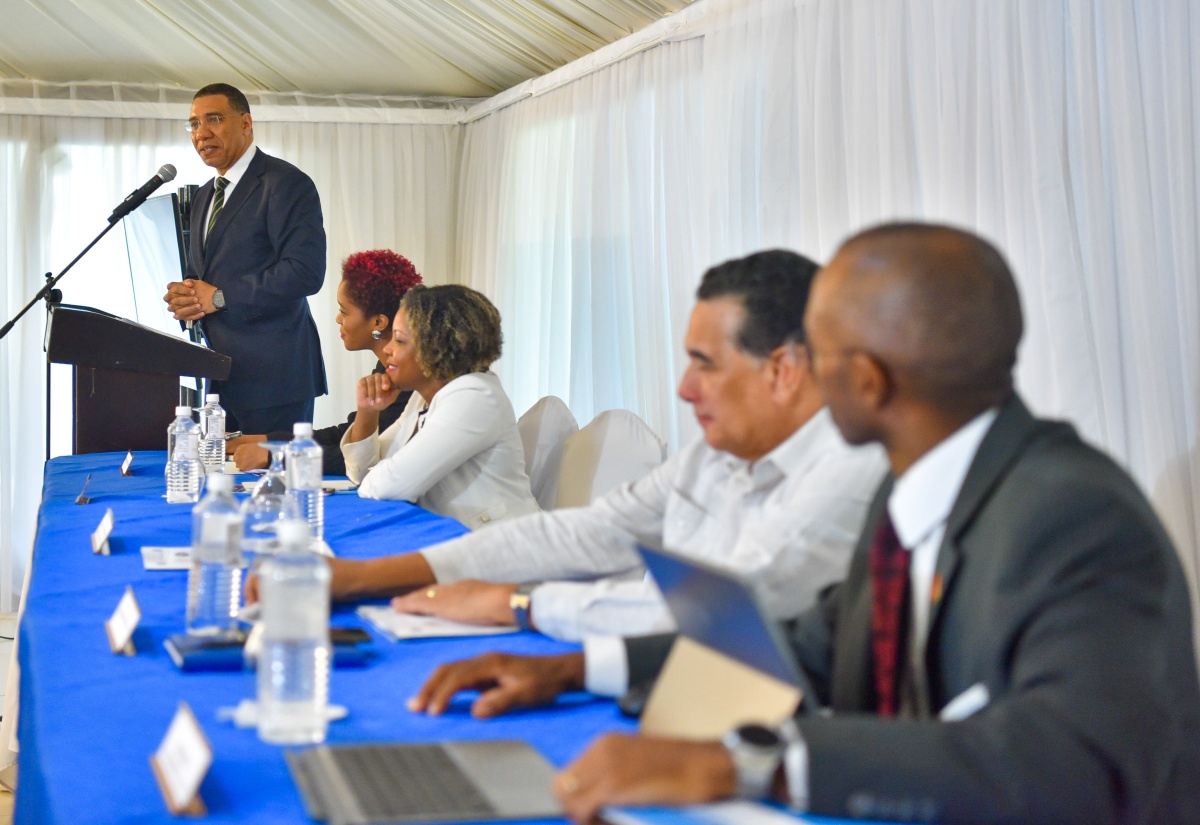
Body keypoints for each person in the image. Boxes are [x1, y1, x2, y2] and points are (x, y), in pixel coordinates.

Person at [411, 224, 1200, 825]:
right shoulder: (929, 489)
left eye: (813, 351)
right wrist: (578, 670)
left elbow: (1071, 762)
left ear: (863, 377)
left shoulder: (1072, 512)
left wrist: (754, 765)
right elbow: (815, 645)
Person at [328, 251, 888, 646]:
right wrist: (366, 577)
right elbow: (591, 532)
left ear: (785, 370)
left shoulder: (847, 472)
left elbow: (725, 613)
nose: (685, 389)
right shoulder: (717, 453)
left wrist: (515, 604)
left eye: (706, 364)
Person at [163, 82, 327, 434]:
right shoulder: (206, 195)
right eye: (193, 124)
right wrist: (187, 296)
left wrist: (219, 297)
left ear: (246, 124)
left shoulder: (285, 183)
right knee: (221, 486)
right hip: (218, 380)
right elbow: (205, 275)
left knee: (273, 486)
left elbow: (305, 273)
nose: (202, 132)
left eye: (214, 119)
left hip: (275, 378)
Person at [340, 284, 539, 530]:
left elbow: (386, 486)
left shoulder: (475, 397)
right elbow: (361, 474)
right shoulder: (423, 397)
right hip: (457, 540)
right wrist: (368, 411)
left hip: (502, 550)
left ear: (435, 348)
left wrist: (381, 473)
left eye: (400, 340)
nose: (388, 349)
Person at [227, 249, 422, 475]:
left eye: (344, 311)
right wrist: (269, 440)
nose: (338, 318)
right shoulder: (386, 366)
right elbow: (348, 433)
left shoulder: (407, 376)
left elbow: (372, 455)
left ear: (378, 321)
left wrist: (276, 456)